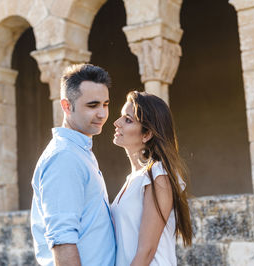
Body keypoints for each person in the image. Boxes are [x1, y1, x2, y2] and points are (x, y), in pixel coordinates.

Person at [30, 64, 116, 266]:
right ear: (67, 106)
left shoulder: (79, 152)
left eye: (105, 104)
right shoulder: (65, 157)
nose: (102, 114)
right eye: (93, 105)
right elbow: (62, 241)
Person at [111, 91, 193, 265]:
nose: (116, 123)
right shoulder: (134, 178)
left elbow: (146, 251)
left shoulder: (158, 173)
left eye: (127, 120)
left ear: (147, 134)